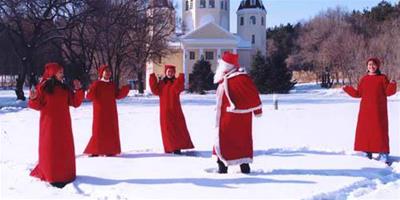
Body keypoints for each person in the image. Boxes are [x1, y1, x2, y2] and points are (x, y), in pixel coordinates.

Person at [28, 62, 84, 188]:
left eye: (62, 72)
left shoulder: (65, 88)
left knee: (63, 149)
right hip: (49, 126)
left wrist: (79, 90)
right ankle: (51, 174)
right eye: (60, 72)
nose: (62, 74)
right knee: (51, 149)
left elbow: (75, 102)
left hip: (64, 125)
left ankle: (65, 174)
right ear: (53, 73)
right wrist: (32, 99)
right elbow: (36, 105)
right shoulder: (42, 88)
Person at [213, 52, 263, 174]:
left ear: (226, 65)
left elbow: (252, 95)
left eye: (222, 64)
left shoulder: (240, 78)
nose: (220, 67)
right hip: (225, 117)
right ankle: (224, 166)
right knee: (229, 141)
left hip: (233, 118)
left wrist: (257, 110)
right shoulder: (225, 77)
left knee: (232, 141)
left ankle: (239, 167)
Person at [343, 57, 397, 164]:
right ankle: (366, 152)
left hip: (379, 111)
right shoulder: (364, 79)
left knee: (380, 132)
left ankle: (383, 154)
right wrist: (347, 89)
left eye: (373, 65)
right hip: (365, 111)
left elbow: (388, 92)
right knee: (365, 132)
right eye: (369, 65)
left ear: (377, 66)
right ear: (367, 66)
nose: (371, 67)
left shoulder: (382, 78)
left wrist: (393, 84)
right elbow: (358, 94)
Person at [84, 64, 130, 157]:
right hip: (100, 111)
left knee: (110, 130)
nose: (108, 73)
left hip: (111, 111)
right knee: (98, 130)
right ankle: (96, 150)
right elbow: (89, 96)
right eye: (106, 71)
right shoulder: (97, 84)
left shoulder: (111, 84)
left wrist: (125, 88)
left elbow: (118, 95)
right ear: (101, 73)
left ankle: (110, 149)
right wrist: (90, 91)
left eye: (109, 71)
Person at [149, 64, 194, 154]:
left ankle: (177, 147)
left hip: (175, 109)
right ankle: (169, 147)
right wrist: (152, 77)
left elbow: (178, 88)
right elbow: (155, 90)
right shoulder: (161, 83)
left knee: (177, 128)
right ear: (166, 72)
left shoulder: (176, 82)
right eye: (168, 71)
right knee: (167, 129)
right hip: (165, 110)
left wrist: (181, 77)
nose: (170, 73)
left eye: (172, 72)